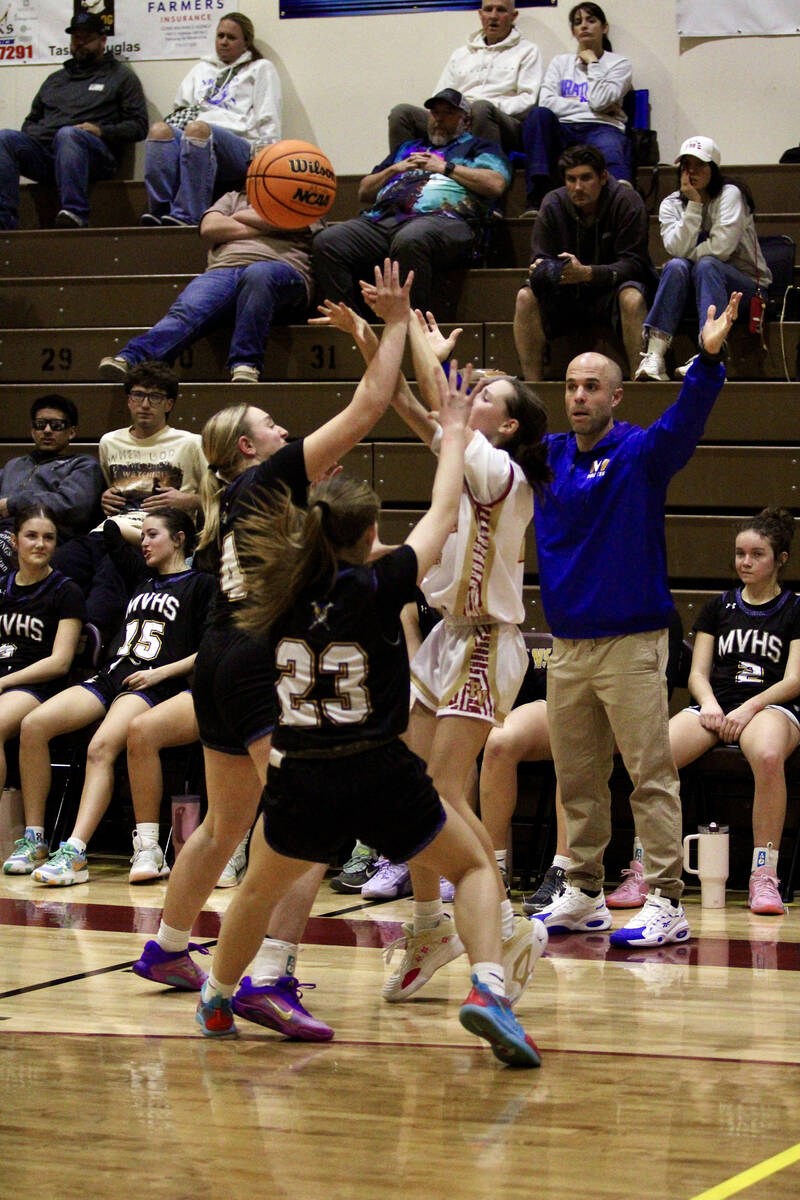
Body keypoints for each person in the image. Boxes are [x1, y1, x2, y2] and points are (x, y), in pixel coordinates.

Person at [194, 377, 541, 1069]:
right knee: (473, 867)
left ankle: (218, 994)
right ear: (373, 535)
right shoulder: (385, 584)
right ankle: (489, 987)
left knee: (258, 887)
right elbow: (446, 510)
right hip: (378, 768)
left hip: (301, 770)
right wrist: (445, 429)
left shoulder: (273, 590)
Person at [131, 261, 418, 1045]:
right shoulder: (270, 481)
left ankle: (166, 946)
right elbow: (365, 409)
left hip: (220, 657)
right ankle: (269, 976)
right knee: (310, 824)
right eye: (273, 426)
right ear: (248, 449)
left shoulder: (237, 510)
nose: (289, 433)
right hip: (257, 663)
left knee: (227, 823)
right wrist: (393, 326)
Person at [315, 295, 550, 1003]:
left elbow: (435, 400)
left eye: (485, 397)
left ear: (505, 425)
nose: (468, 398)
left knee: (440, 792)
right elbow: (415, 411)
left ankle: (504, 920)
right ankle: (428, 927)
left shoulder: (501, 474)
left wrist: (411, 330)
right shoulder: (463, 453)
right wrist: (377, 338)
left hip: (485, 641)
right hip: (445, 637)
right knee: (404, 789)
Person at [530, 291, 741, 948]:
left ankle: (666, 901)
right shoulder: (547, 458)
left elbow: (686, 420)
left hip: (633, 643)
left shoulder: (640, 455)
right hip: (567, 647)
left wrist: (706, 360)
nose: (579, 396)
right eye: (571, 386)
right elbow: (465, 438)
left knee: (649, 774)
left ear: (618, 396)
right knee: (578, 777)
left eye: (593, 386)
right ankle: (585, 892)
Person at [18, 509, 215, 885]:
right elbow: (109, 530)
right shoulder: (141, 575)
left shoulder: (202, 584)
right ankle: (34, 839)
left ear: (179, 539)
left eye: (153, 535)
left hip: (152, 682)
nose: (143, 542)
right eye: (142, 535)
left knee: (100, 746)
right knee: (34, 724)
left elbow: (209, 649)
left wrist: (162, 672)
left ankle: (75, 851)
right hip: (111, 675)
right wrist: (141, 524)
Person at [669, 508, 800, 915]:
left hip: (771, 705)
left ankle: (764, 875)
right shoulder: (717, 607)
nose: (745, 562)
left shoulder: (795, 608)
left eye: (757, 554)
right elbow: (697, 673)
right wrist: (708, 703)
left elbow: (795, 679)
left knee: (766, 755)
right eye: (740, 553)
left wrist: (749, 708)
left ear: (779, 559)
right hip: (716, 705)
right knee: (656, 757)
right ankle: (651, 867)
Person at [312, 90, 511, 314]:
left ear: (465, 120)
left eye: (447, 113)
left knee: (410, 239)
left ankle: (412, 327)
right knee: (327, 241)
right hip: (383, 220)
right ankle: (350, 324)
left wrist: (445, 167)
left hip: (445, 221)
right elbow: (364, 191)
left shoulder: (479, 147)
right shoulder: (407, 149)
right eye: (434, 113)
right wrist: (395, 168)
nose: (438, 119)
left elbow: (495, 184)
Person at [54, 362, 206, 641]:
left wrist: (189, 499)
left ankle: (93, 635)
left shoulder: (190, 443)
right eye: (138, 395)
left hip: (152, 537)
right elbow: (111, 490)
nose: (145, 404)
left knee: (113, 568)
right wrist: (105, 496)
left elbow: (220, 495)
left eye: (155, 397)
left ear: (169, 404)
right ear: (128, 400)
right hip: (108, 529)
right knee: (59, 563)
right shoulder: (109, 442)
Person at [99, 190, 313, 385]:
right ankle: (132, 359)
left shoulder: (304, 196)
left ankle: (246, 364)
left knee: (258, 275)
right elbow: (209, 227)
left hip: (282, 271)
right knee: (189, 309)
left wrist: (236, 218)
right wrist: (268, 224)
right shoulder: (232, 197)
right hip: (223, 270)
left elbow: (295, 222)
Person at [513, 143, 656, 381]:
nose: (577, 187)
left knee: (632, 298)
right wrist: (543, 270)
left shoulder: (627, 201)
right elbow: (540, 257)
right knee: (525, 296)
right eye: (571, 179)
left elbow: (635, 264)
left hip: (613, 291)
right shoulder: (553, 203)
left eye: (586, 178)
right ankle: (532, 387)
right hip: (568, 292)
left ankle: (638, 382)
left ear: (603, 177)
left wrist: (589, 273)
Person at [635, 135, 772, 382]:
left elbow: (721, 249)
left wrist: (689, 254)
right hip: (699, 286)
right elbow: (675, 249)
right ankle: (654, 356)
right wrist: (694, 206)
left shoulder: (731, 195)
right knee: (677, 266)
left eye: (700, 166)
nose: (692, 172)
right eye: (687, 165)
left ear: (714, 169)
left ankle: (710, 352)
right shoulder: (671, 204)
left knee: (707, 264)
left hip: (747, 288)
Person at [0, 13, 147, 230]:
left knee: (69, 135)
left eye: (86, 38)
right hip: (49, 156)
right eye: (75, 38)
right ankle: (4, 221)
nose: (80, 43)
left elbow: (139, 126)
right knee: (4, 138)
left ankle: (74, 213)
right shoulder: (55, 80)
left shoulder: (121, 77)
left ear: (103, 40)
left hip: (94, 158)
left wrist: (100, 131)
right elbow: (30, 124)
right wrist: (50, 133)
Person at [0, 506, 85, 875]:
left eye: (48, 537)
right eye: (32, 536)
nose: (40, 544)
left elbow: (60, 661)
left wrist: (4, 682)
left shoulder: (66, 591)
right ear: (15, 541)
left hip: (38, 685)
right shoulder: (1, 587)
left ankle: (35, 839)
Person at [142, 13, 281, 227]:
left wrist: (267, 161)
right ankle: (160, 210)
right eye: (220, 36)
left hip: (239, 146)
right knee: (159, 130)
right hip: (197, 136)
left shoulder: (260, 68)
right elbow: (182, 106)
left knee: (197, 129)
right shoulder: (201, 69)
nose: (224, 41)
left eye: (231, 37)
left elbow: (269, 114)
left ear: (246, 43)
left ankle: (189, 214)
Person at [388, 1, 542, 161]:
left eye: (501, 10)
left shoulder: (527, 51)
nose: (493, 16)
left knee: (481, 108)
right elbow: (440, 94)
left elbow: (527, 100)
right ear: (480, 15)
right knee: (401, 113)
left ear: (513, 16)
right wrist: (453, 113)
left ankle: (483, 174)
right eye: (488, 10)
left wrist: (484, 107)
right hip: (459, 115)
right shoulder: (461, 54)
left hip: (501, 121)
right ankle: (402, 175)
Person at [521, 3, 632, 209]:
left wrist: (593, 64)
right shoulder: (560, 63)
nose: (584, 26)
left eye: (591, 21)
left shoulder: (619, 64)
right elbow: (546, 102)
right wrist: (593, 108)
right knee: (538, 115)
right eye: (578, 22)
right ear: (573, 31)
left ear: (604, 27)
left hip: (602, 127)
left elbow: (600, 100)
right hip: (565, 129)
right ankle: (538, 197)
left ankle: (621, 204)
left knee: (611, 145)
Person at [0, 395, 103, 573]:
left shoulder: (83, 465)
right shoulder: (14, 466)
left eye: (56, 426)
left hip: (46, 537)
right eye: (41, 425)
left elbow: (72, 506)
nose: (47, 430)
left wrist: (12, 503)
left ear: (71, 431)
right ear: (33, 431)